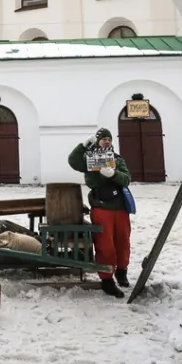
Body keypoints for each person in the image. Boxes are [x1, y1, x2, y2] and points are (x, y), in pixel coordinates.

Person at [67, 127, 132, 298]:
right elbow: (73, 161)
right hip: (101, 208)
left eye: (109, 139)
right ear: (97, 141)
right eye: (103, 139)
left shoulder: (117, 159)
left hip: (120, 208)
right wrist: (82, 146)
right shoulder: (89, 159)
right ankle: (107, 279)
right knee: (106, 245)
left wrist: (113, 174)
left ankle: (122, 271)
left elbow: (126, 178)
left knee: (123, 241)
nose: (107, 141)